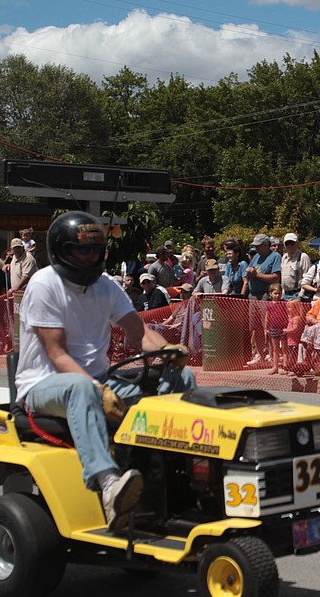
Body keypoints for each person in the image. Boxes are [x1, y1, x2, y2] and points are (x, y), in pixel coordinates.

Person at [14, 211, 196, 532]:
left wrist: (169, 353)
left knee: (181, 377)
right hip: (44, 386)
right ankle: (109, 485)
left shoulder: (105, 285)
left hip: (98, 381)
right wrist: (97, 390)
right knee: (81, 389)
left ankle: (169, 464)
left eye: (97, 250)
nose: (91, 256)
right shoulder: (44, 285)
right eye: (82, 249)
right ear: (61, 250)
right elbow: (57, 355)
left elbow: (140, 332)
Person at [244, 234, 281, 367]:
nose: (257, 249)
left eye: (259, 246)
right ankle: (260, 355)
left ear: (266, 245)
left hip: (266, 296)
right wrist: (248, 274)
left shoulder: (275, 257)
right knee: (256, 328)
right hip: (253, 296)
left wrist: (257, 275)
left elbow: (276, 277)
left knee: (268, 328)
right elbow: (248, 273)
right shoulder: (256, 257)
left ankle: (272, 356)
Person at [279, 233, 311, 300]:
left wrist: (300, 296)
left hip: (297, 294)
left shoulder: (303, 257)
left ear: (297, 244)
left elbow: (307, 278)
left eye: (292, 243)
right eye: (287, 243)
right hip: (285, 295)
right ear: (284, 245)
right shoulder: (284, 257)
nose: (290, 245)